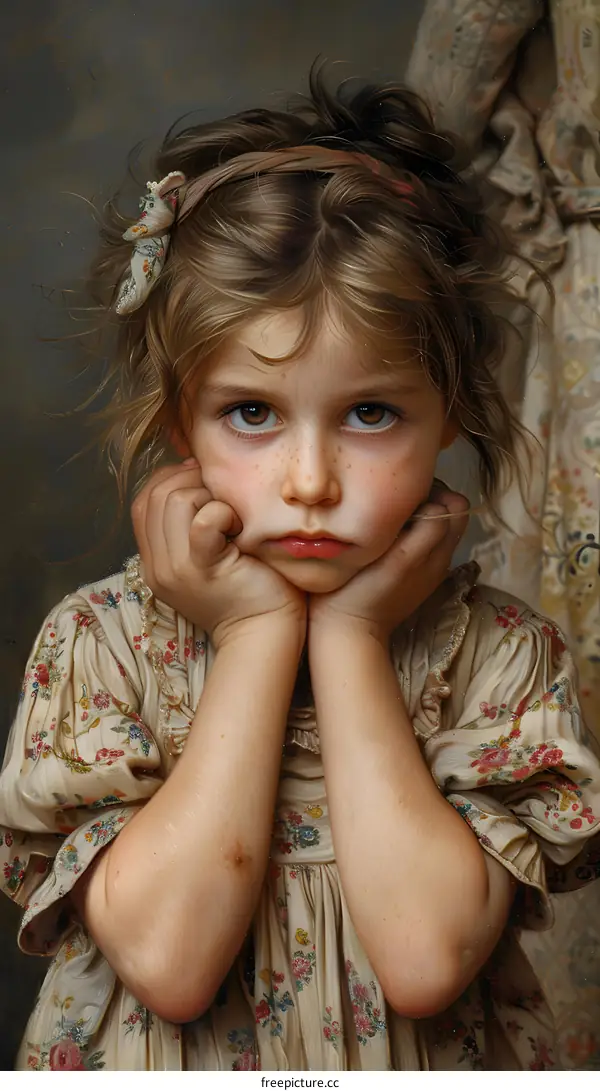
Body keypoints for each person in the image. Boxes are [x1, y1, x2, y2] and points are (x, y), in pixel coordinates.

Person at [1, 69, 598, 1073]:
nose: (311, 480)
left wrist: (355, 639)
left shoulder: (503, 656)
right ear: (178, 410)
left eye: (371, 412)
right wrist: (254, 632)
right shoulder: (98, 645)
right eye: (251, 411)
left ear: (451, 409)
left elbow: (423, 961)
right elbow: (171, 963)